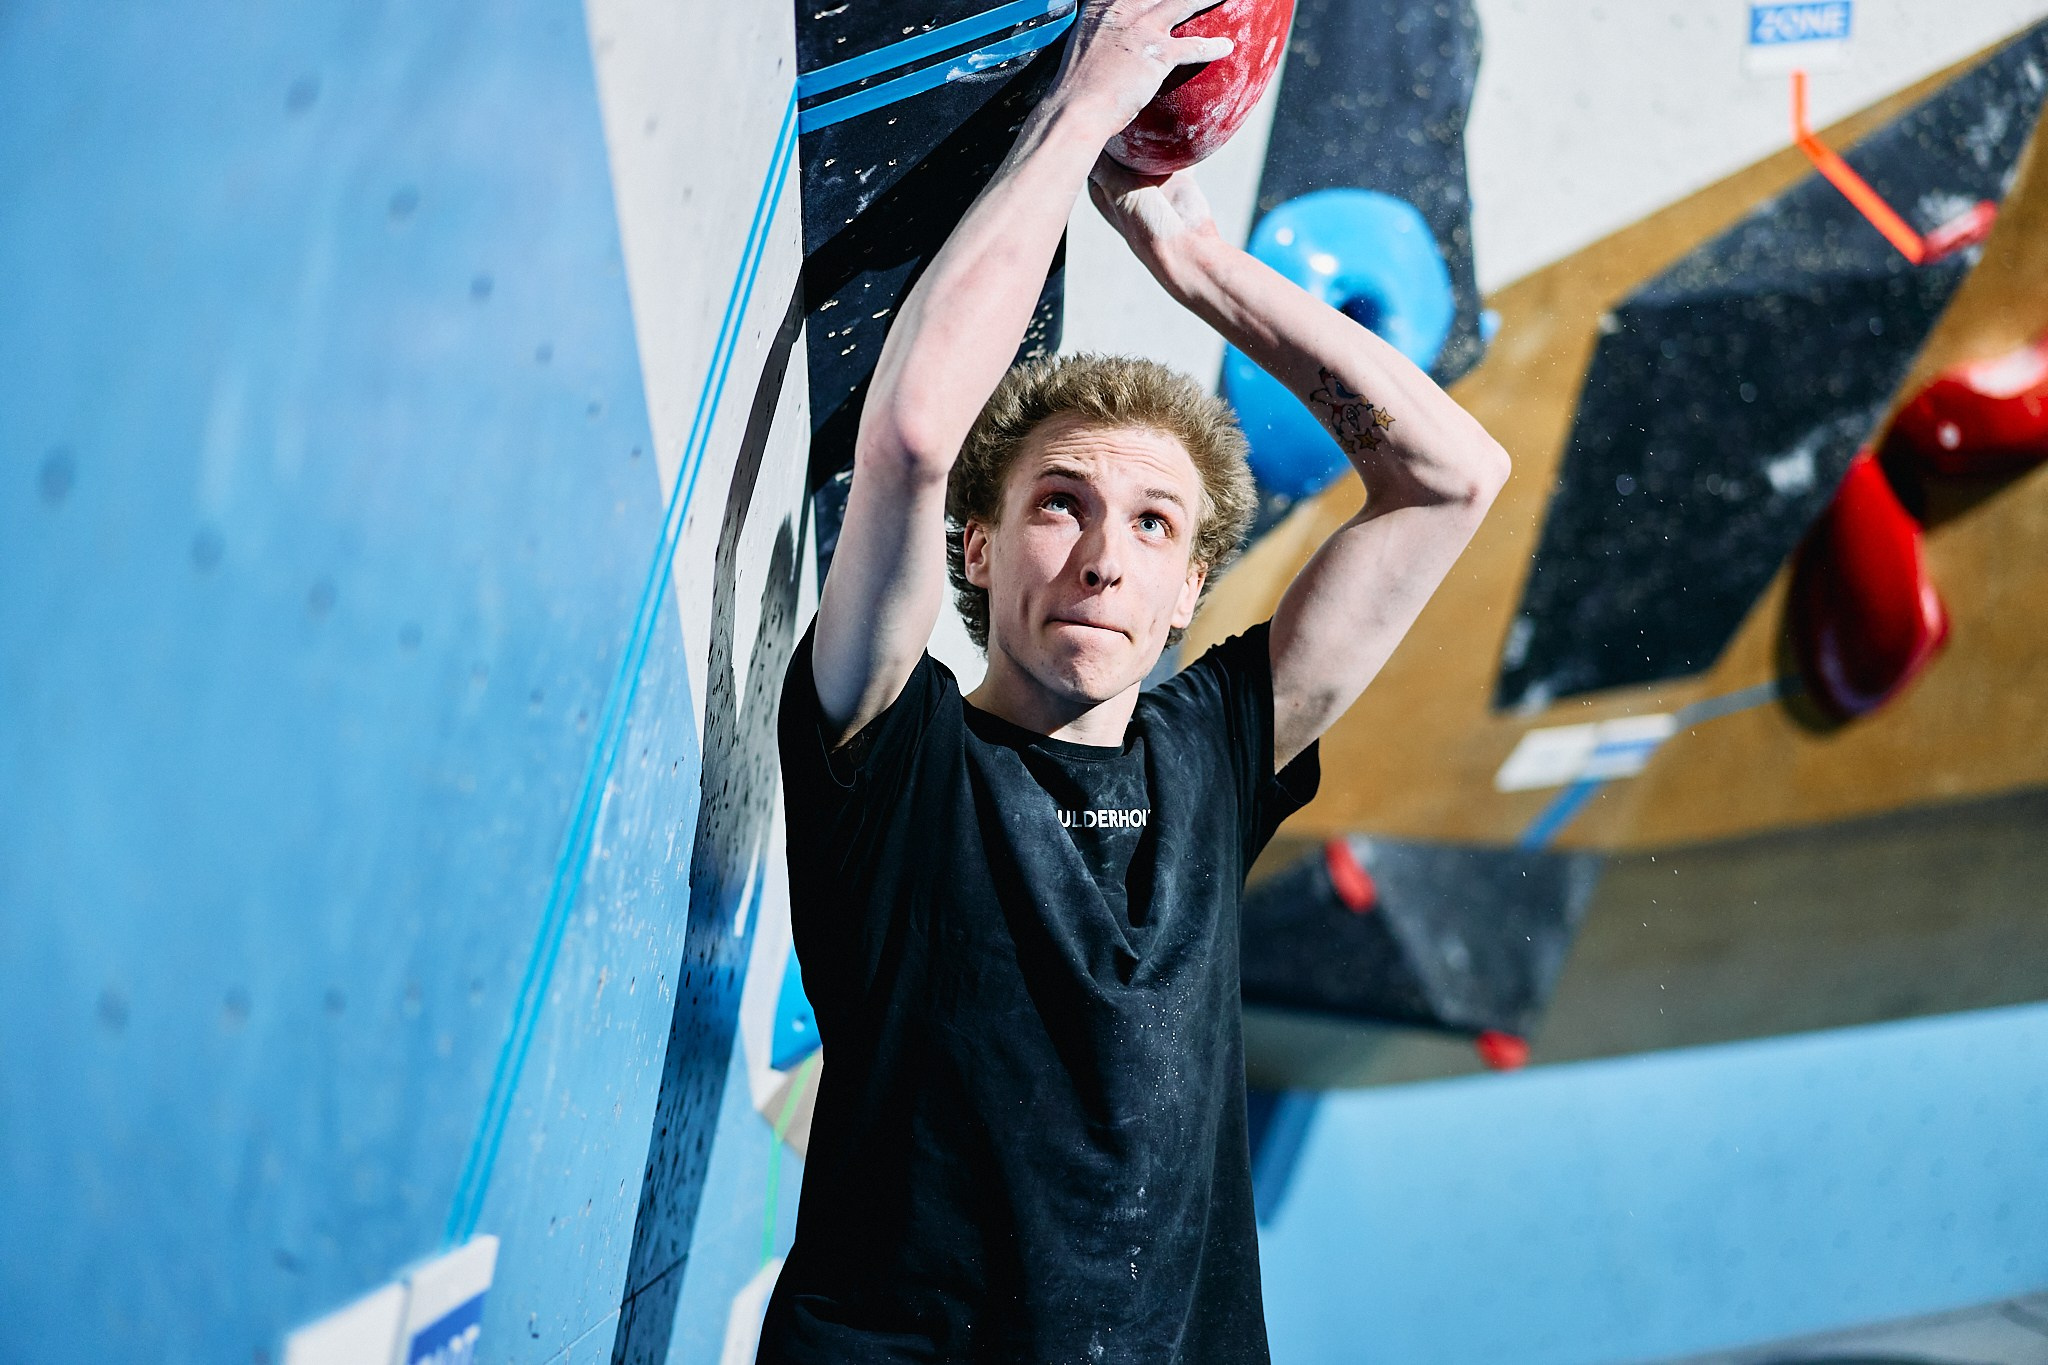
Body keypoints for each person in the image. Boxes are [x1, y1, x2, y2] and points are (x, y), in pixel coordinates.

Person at [761, 0, 1510, 1358]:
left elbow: (1452, 477)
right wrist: (1081, 116)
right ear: (977, 548)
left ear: (1189, 587)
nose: (1105, 558)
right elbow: (921, 430)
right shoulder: (894, 753)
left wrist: (1196, 260)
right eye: (1061, 504)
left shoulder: (1214, 750)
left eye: (1156, 525)